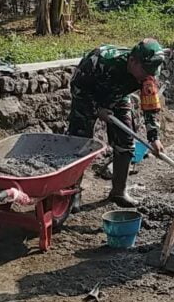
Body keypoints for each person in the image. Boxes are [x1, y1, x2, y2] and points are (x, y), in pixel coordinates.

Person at [67, 39, 166, 208]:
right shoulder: (101, 60)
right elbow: (77, 87)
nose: (147, 75)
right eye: (145, 70)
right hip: (88, 97)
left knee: (126, 141)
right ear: (133, 61)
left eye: (151, 71)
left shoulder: (148, 74)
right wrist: (97, 109)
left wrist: (154, 137)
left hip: (118, 96)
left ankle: (119, 191)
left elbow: (150, 106)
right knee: (79, 144)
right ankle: (72, 194)